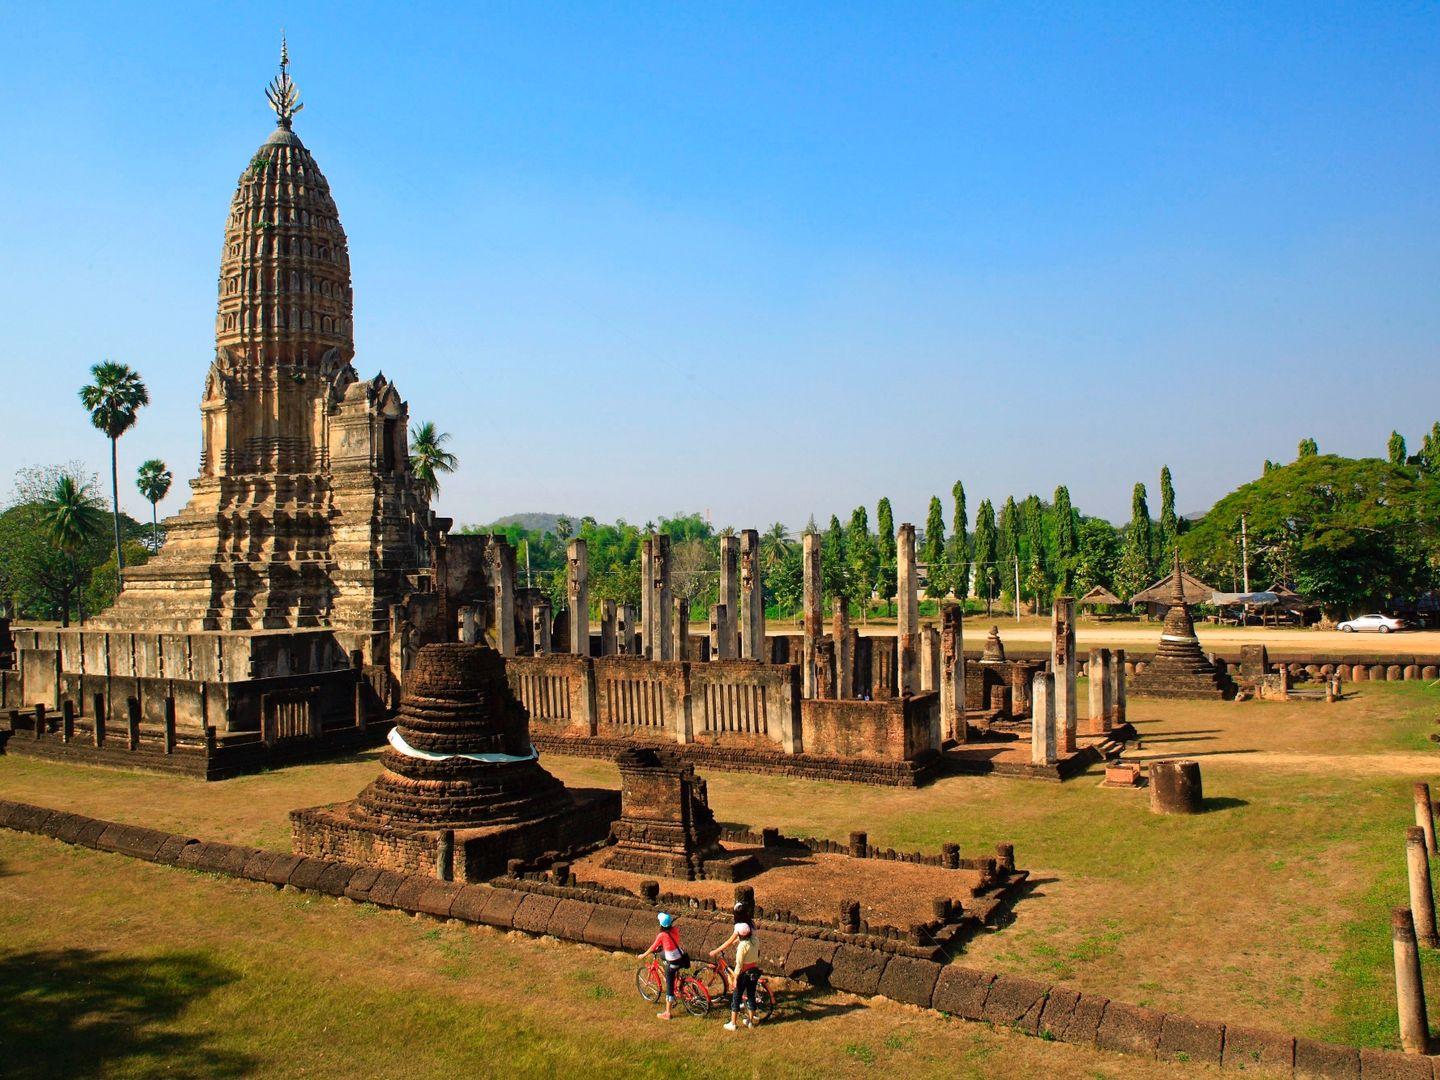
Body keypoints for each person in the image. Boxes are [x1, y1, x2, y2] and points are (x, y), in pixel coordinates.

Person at [710, 921, 761, 1031]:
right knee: (751, 996)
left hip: (743, 974)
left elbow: (738, 965)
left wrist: (735, 979)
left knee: (736, 998)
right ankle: (750, 1022)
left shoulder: (742, 946)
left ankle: (733, 1023)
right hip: (754, 971)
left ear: (740, 935)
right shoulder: (755, 940)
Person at [639, 912, 685, 1020]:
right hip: (680, 957)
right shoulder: (675, 930)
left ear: (661, 925)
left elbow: (653, 947)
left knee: (669, 988)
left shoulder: (661, 935)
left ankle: (667, 1013)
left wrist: (643, 955)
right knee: (663, 956)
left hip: (673, 961)